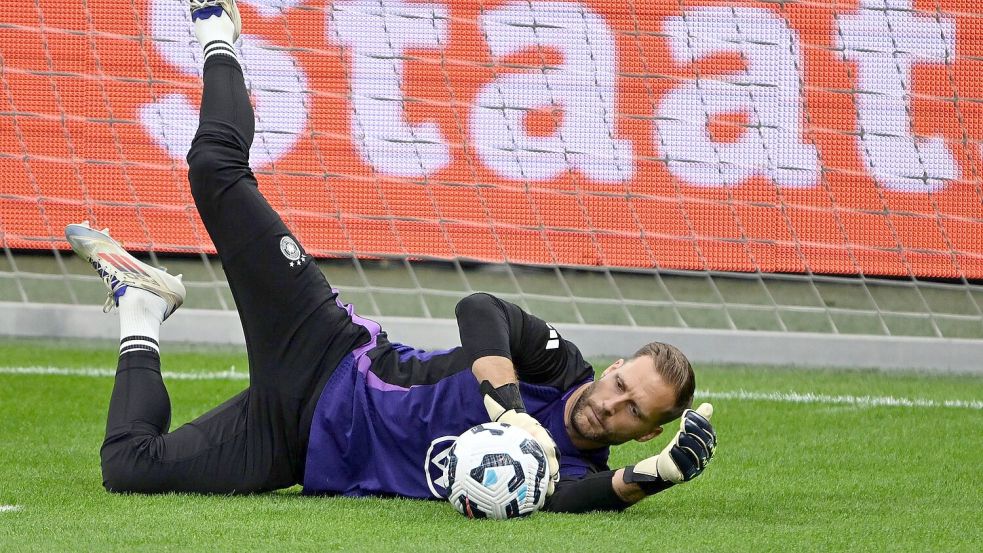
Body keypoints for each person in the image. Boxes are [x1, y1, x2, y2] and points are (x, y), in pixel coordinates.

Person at [65, 0, 717, 513]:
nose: (611, 403)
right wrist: (509, 406)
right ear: (609, 368)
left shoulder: (565, 471)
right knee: (214, 168)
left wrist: (658, 473)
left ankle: (144, 311)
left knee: (129, 468)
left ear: (642, 432)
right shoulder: (556, 368)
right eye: (620, 384)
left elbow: (579, 499)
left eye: (634, 409)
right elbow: (479, 305)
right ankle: (217, 35)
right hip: (326, 353)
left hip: (297, 446)